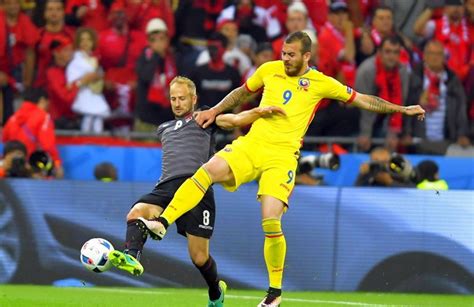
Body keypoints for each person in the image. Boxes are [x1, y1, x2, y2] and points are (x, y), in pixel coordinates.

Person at [138, 31, 425, 307]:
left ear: (306, 56)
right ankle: (163, 223)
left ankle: (274, 294)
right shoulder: (269, 69)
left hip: (283, 157)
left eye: (291, 55)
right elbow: (242, 93)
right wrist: (214, 111)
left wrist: (401, 109)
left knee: (271, 221)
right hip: (253, 144)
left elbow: (363, 99)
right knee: (206, 171)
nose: (285, 59)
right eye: (283, 53)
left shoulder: (321, 82)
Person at [108, 76, 286, 307]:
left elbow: (233, 120)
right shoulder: (164, 128)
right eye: (173, 98)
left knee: (199, 257)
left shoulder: (205, 118)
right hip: (166, 186)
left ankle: (215, 291)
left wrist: (258, 113)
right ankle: (132, 256)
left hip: (197, 187)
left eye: (182, 98)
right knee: (136, 212)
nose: (177, 103)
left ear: (194, 99)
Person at [2, 87, 64, 178]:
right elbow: (48, 145)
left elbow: (4, 141)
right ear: (42, 100)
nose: (47, 108)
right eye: (48, 104)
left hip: (11, 166)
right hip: (32, 168)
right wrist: (57, 163)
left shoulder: (13, 118)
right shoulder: (43, 116)